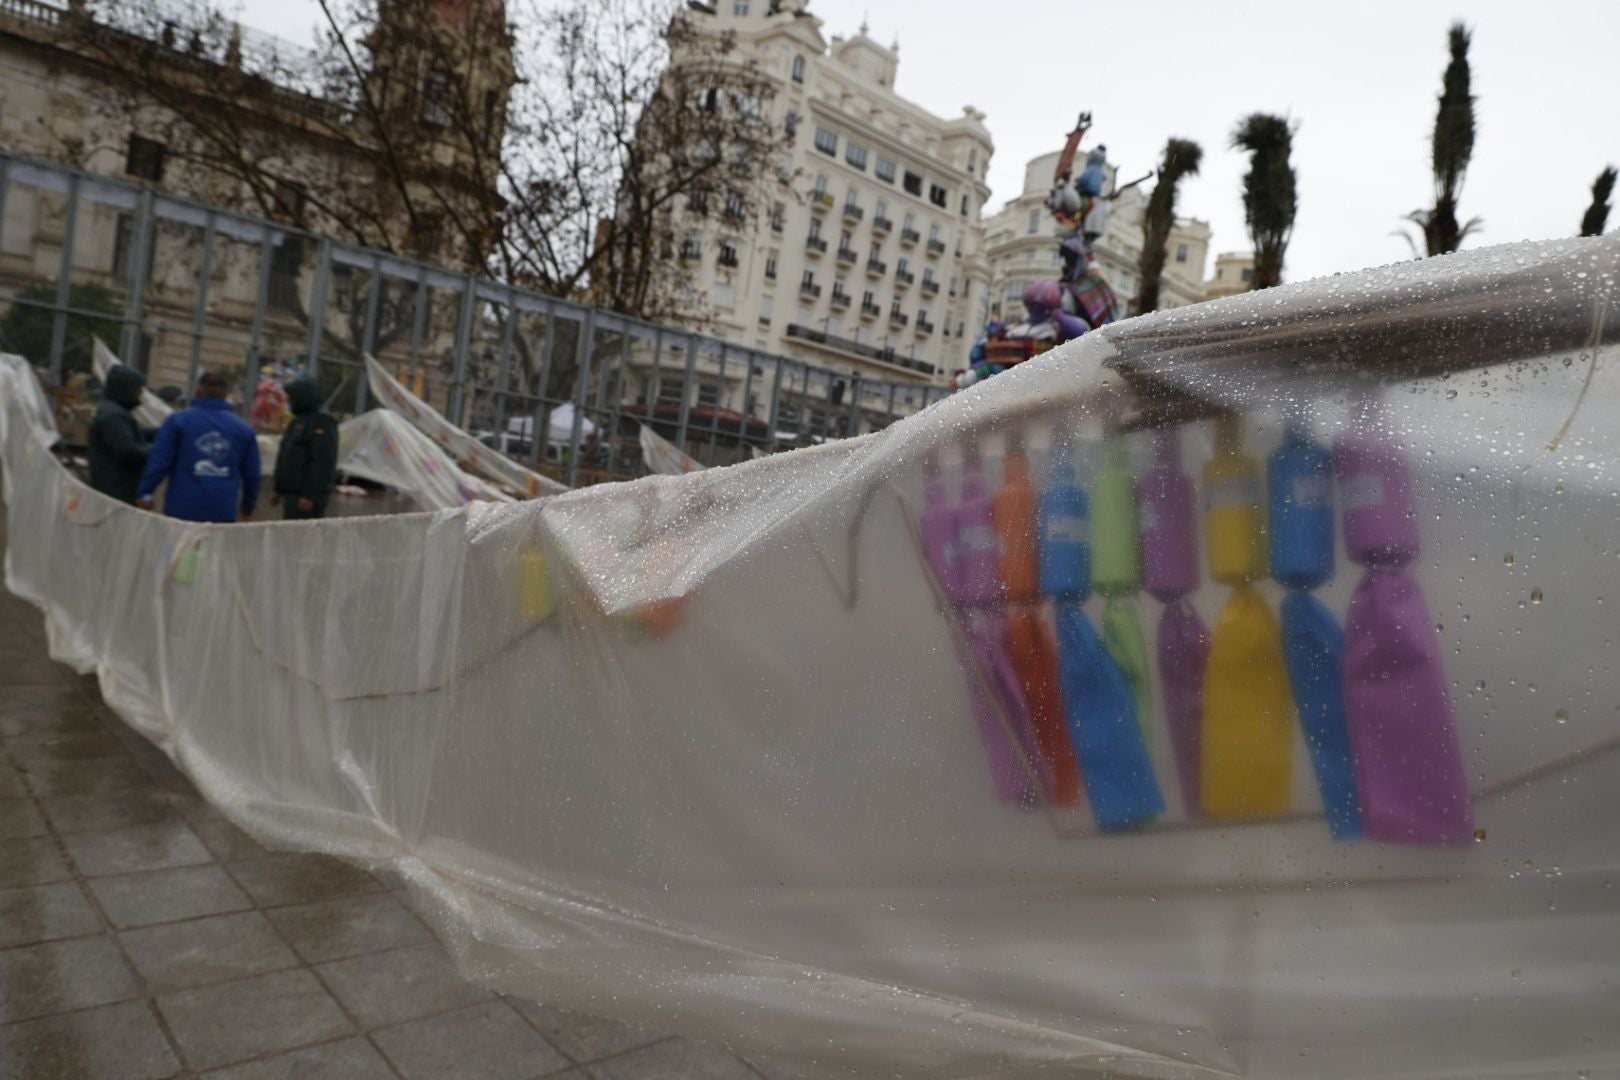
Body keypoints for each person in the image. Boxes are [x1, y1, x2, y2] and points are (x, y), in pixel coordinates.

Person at [137, 370, 261, 523]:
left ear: (198, 390)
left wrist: (145, 492)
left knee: (180, 547)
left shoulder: (177, 421)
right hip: (222, 508)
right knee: (214, 547)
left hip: (181, 507)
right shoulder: (243, 429)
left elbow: (160, 461)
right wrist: (249, 505)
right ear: (226, 393)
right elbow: (252, 473)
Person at [272, 376, 339, 520]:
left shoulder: (322, 423)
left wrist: (310, 495)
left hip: (305, 498)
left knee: (301, 539)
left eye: (291, 398)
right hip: (291, 494)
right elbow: (285, 456)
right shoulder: (296, 423)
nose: (289, 403)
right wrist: (279, 488)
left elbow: (322, 462)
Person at [86, 364, 152, 504]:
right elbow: (128, 450)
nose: (141, 394)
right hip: (116, 493)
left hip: (113, 488)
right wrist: (161, 449)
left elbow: (132, 434)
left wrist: (163, 432)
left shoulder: (112, 410)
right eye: (138, 389)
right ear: (126, 389)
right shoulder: (113, 416)